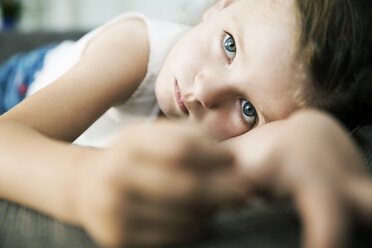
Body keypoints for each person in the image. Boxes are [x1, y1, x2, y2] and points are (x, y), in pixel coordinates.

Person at [0, 0, 371, 247]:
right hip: (17, 89)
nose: (205, 90)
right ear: (222, 5)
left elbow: (285, 146)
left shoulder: (231, 126)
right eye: (229, 46)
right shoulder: (138, 50)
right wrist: (83, 184)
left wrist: (311, 134)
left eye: (247, 110)